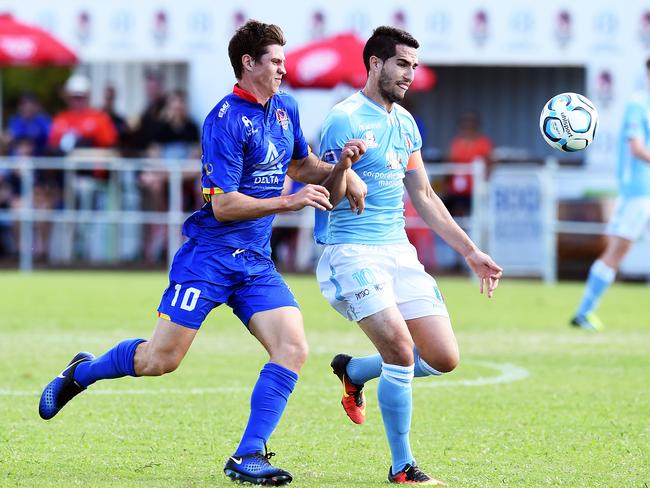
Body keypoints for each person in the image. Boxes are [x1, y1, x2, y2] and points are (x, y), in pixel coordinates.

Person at [38, 20, 366, 487]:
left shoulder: (284, 108)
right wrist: (290, 200)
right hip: (210, 256)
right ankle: (82, 372)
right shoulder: (224, 120)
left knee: (292, 348)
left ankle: (248, 455)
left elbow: (300, 164)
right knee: (160, 360)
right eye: (275, 61)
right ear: (247, 63)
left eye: (284, 60)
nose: (283, 68)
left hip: (254, 262)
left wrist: (342, 168)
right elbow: (224, 204)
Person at [314, 26, 502, 485]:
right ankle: (403, 468)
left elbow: (424, 196)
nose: (409, 74)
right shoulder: (343, 119)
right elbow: (324, 195)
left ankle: (354, 370)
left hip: (398, 251)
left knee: (442, 358)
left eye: (414, 66)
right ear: (375, 63)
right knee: (400, 351)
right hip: (351, 252)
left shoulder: (405, 123)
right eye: (402, 64)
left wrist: (470, 251)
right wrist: (343, 166)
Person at [570, 58, 650, 331]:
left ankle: (583, 312)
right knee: (617, 251)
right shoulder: (639, 104)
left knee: (617, 250)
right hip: (638, 192)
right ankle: (583, 312)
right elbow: (637, 148)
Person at [446, 110, 493, 218]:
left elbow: (490, 165)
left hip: (476, 191)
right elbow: (449, 166)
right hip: (457, 191)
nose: (468, 124)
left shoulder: (484, 143)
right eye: (465, 121)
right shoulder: (455, 143)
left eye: (471, 121)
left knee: (475, 220)